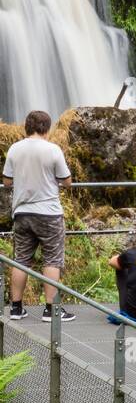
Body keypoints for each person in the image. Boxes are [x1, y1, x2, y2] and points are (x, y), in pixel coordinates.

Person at [2, 111, 75, 322]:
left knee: (21, 260)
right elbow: (67, 181)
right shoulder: (53, 150)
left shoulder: (15, 149)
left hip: (22, 212)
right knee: (52, 259)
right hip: (49, 213)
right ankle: (51, 311)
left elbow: (7, 182)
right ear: (46, 127)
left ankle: (16, 308)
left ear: (27, 126)